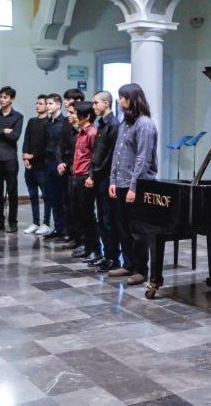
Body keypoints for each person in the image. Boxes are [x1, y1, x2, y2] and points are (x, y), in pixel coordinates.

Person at [108, 83, 158, 286]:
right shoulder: (125, 123)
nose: (119, 101)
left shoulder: (144, 124)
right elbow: (117, 154)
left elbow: (142, 158)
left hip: (136, 184)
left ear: (132, 99)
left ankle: (141, 269)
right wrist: (113, 180)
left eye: (122, 97)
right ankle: (128, 264)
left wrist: (133, 187)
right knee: (123, 227)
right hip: (120, 182)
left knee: (137, 230)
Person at [87, 91, 120, 272]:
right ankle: (106, 255)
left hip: (106, 177)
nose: (93, 106)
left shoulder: (113, 124)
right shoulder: (101, 123)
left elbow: (110, 155)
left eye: (96, 103)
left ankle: (113, 258)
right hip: (99, 176)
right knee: (101, 218)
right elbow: (97, 153)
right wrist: (92, 172)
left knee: (108, 220)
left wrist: (96, 173)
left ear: (106, 103)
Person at [0, 86, 24, 233]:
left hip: (10, 158)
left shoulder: (18, 116)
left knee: (12, 191)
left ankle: (13, 222)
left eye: (5, 97)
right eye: (1, 96)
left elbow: (15, 136)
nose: (2, 99)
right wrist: (4, 131)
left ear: (12, 99)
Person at [68, 102, 100, 262]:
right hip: (77, 176)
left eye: (77, 114)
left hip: (85, 177)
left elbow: (95, 156)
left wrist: (90, 176)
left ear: (86, 116)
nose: (74, 117)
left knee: (88, 215)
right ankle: (87, 247)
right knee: (80, 214)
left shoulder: (92, 133)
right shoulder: (81, 132)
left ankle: (95, 250)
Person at [55, 88, 85, 248]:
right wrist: (60, 162)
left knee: (78, 206)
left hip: (78, 169)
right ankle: (70, 233)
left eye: (68, 100)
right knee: (66, 203)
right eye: (65, 100)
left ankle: (80, 238)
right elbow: (61, 144)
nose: (65, 103)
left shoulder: (86, 125)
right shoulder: (67, 121)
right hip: (66, 167)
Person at [21, 94, 50, 235]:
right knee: (33, 195)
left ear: (47, 106)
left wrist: (33, 156)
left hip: (43, 166)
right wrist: (25, 156)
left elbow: (47, 145)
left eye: (41, 103)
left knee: (46, 196)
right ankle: (35, 222)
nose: (37, 106)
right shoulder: (32, 121)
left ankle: (46, 223)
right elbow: (26, 139)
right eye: (36, 103)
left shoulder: (49, 123)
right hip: (30, 166)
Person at [42, 94, 67, 239]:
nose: (47, 106)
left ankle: (65, 229)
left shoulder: (64, 122)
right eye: (46, 103)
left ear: (58, 105)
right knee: (52, 197)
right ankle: (58, 228)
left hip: (59, 163)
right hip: (48, 162)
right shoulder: (47, 123)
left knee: (62, 197)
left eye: (50, 103)